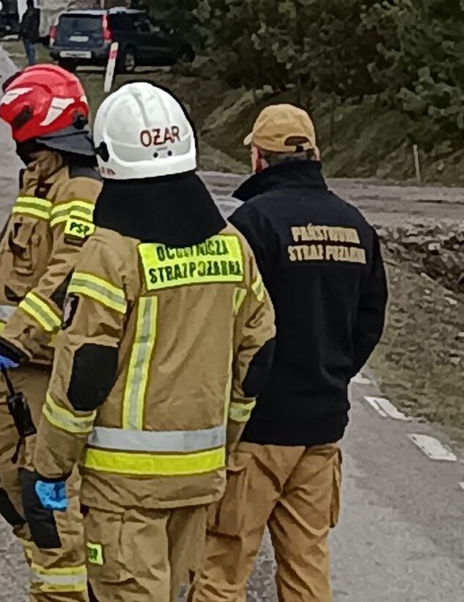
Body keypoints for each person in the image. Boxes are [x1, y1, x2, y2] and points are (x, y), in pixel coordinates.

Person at [24, 82, 277, 602]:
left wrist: (50, 464)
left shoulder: (112, 254)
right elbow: (258, 356)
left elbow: (83, 375)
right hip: (199, 478)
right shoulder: (233, 248)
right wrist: (224, 439)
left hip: (125, 489)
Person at [192, 105, 387, 602]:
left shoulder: (252, 224)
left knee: (223, 564)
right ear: (315, 153)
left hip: (258, 428)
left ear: (258, 159)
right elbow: (369, 321)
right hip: (321, 428)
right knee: (307, 564)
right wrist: (333, 373)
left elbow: (225, 321)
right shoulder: (356, 225)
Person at [0, 64, 103, 601]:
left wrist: (18, 332)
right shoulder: (40, 176)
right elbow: (24, 252)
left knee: (48, 491)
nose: (18, 143)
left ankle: (66, 586)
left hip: (45, 364)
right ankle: (53, 559)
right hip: (14, 363)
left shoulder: (80, 188)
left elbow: (70, 270)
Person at [19, 0, 43, 67]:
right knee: (29, 50)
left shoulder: (31, 14)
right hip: (27, 35)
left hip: (29, 35)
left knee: (30, 50)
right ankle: (31, 63)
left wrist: (26, 33)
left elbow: (31, 25)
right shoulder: (30, 13)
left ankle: (32, 64)